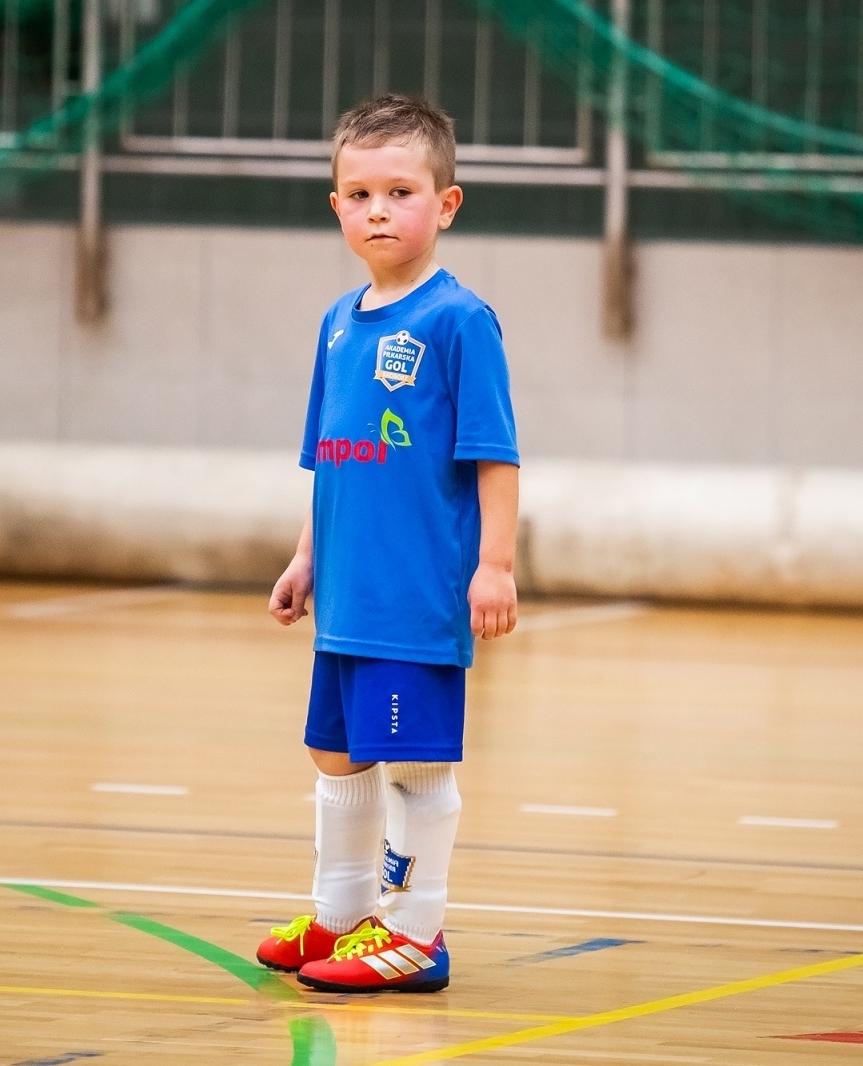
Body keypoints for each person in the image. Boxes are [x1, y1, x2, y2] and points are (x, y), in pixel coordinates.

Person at [255, 93, 519, 994]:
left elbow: (496, 457)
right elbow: (329, 463)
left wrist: (495, 565)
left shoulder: (458, 321)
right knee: (338, 754)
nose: (378, 209)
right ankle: (342, 917)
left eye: (400, 191)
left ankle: (415, 934)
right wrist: (305, 558)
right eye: (358, 193)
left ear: (444, 204)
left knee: (413, 763)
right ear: (336, 206)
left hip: (415, 597)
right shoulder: (337, 323)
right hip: (347, 597)